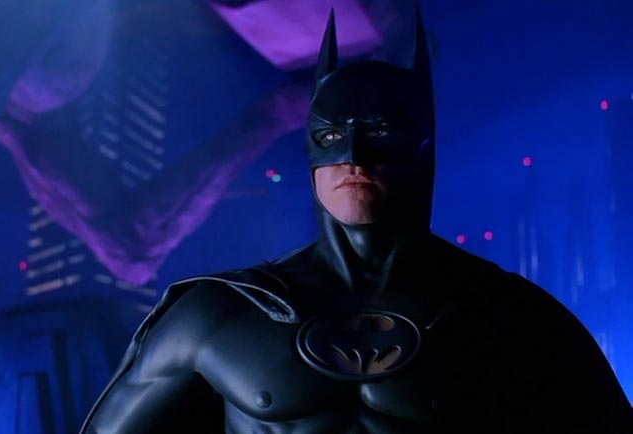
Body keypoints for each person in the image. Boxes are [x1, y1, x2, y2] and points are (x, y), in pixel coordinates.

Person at [80, 10, 632, 434]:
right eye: (330, 135)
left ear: (422, 149)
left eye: (382, 131)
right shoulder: (217, 312)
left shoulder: (510, 318)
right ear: (310, 152)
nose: (354, 155)